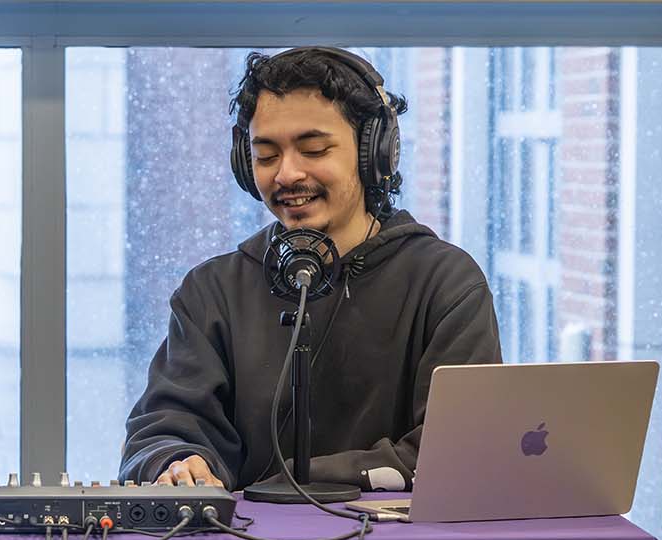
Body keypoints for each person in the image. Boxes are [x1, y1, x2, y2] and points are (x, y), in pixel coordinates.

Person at [119, 48, 501, 492]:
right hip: (247, 537)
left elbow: (460, 449)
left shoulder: (446, 283)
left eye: (314, 149)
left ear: (373, 153)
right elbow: (160, 431)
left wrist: (297, 479)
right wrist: (176, 462)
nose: (286, 174)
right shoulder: (212, 292)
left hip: (400, 538)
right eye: (266, 156)